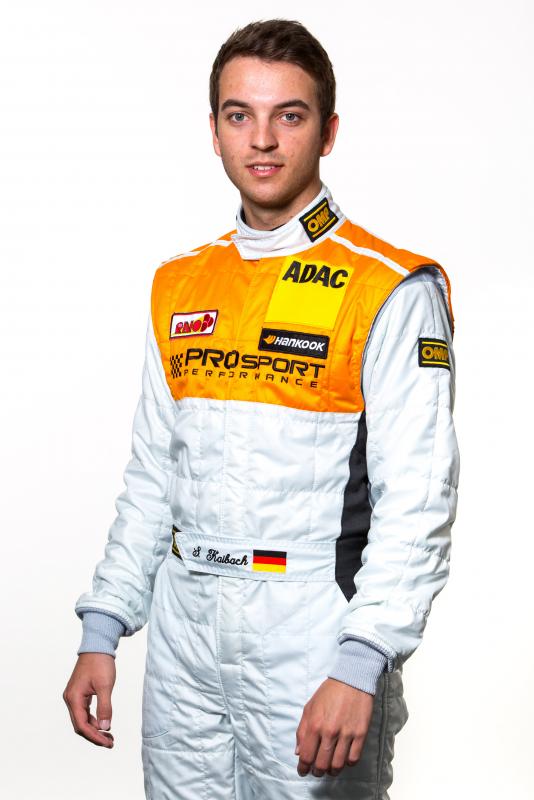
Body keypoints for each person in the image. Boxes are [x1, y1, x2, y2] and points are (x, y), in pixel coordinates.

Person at [63, 18, 460, 800]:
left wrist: (360, 662)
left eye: (290, 115)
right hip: (184, 633)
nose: (264, 139)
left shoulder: (389, 287)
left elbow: (420, 500)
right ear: (214, 131)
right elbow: (153, 475)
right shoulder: (180, 283)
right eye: (240, 114)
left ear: (328, 131)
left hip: (311, 631)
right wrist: (102, 627)